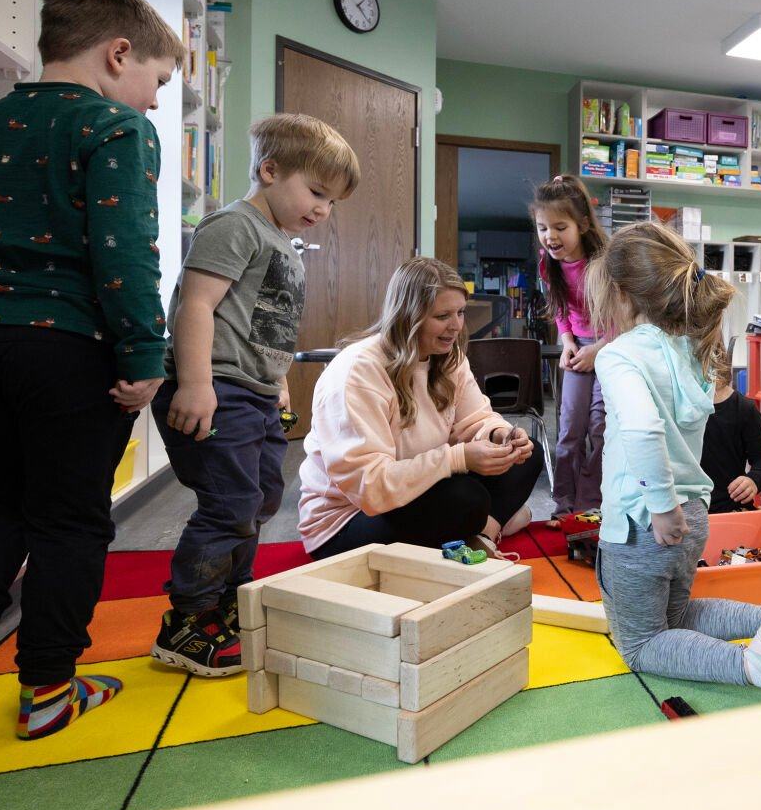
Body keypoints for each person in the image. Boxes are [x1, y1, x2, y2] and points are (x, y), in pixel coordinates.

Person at [0, 0, 184, 740]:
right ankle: (47, 687)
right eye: (156, 80)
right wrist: (144, 356)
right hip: (63, 349)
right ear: (117, 52)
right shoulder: (115, 129)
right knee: (70, 518)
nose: (156, 100)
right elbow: (124, 252)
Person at [588, 222, 761, 698]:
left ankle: (753, 663)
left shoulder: (619, 355)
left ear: (621, 295)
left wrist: (660, 506)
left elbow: (643, 430)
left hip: (644, 522)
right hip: (694, 517)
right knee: (677, 615)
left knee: (642, 643)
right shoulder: (691, 351)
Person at [150, 115, 361, 677]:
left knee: (264, 496)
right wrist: (195, 384)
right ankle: (187, 621)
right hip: (215, 388)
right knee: (230, 503)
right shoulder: (234, 226)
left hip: (256, 393)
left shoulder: (283, 244)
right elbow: (196, 304)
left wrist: (279, 388)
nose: (323, 209)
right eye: (316, 192)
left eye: (333, 201)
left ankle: (229, 597)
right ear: (269, 171)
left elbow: (271, 331)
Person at [299, 258, 543, 559]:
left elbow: (476, 418)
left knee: (527, 454)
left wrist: (500, 436)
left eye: (460, 313)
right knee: (467, 498)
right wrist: (457, 458)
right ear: (408, 317)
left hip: (413, 489)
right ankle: (488, 523)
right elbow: (372, 490)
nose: (455, 326)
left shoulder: (447, 357)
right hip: (347, 520)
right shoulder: (358, 372)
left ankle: (483, 534)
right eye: (442, 316)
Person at [533, 174, 609, 522]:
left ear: (582, 224)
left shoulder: (606, 263)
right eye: (542, 228)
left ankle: (590, 505)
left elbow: (627, 320)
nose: (550, 236)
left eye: (560, 227)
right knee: (568, 432)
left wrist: (599, 349)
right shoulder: (548, 264)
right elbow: (561, 311)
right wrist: (566, 343)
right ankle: (563, 506)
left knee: (601, 428)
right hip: (578, 349)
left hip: (611, 348)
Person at [702, 374, 761, 514]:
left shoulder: (744, 408)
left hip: (729, 509)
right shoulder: (674, 407)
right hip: (684, 509)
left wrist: (753, 480)